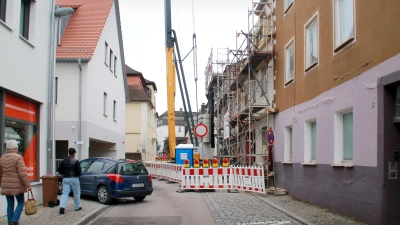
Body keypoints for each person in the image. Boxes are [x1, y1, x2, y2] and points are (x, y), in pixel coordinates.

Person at [0, 139, 32, 225]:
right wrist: (28, 185)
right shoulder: (18, 157)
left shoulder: (2, 157)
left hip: (6, 184)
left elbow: (1, 172)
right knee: (21, 202)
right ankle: (14, 219)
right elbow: (22, 174)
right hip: (17, 185)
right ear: (16, 148)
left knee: (10, 204)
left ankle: (10, 222)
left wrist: (1, 184)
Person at [57, 147, 82, 214]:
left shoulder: (64, 160)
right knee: (76, 193)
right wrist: (76, 175)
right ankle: (77, 207)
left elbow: (59, 170)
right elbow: (79, 171)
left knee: (65, 193)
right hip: (74, 178)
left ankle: (62, 207)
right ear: (74, 153)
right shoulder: (76, 161)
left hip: (65, 178)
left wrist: (64, 174)